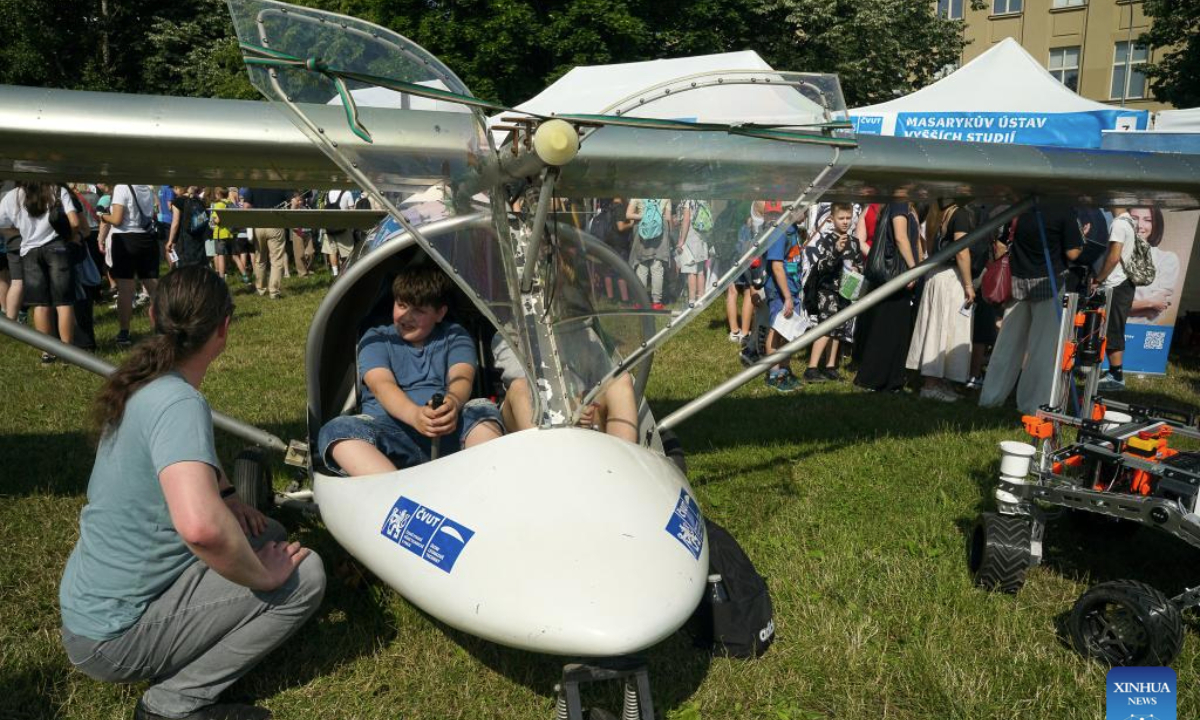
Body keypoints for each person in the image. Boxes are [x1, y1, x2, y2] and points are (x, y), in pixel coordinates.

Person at [58, 267, 325, 720]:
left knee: (270, 531)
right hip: (112, 637)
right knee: (305, 575)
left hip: (92, 611)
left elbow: (183, 461)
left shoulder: (146, 382)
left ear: (157, 317)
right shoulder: (179, 402)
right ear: (223, 329)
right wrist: (264, 577)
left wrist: (227, 497)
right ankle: (172, 705)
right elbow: (200, 530)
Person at [317, 265, 504, 476]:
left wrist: (452, 403)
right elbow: (381, 385)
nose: (407, 316)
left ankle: (486, 479)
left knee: (482, 410)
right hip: (389, 432)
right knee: (336, 430)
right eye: (401, 305)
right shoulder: (376, 338)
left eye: (419, 310)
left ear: (440, 313)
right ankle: (391, 491)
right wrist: (415, 415)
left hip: (448, 428)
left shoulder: (454, 335)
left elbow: (462, 379)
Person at [979, 204, 1083, 414]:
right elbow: (1073, 253)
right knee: (1042, 350)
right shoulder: (1063, 211)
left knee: (1006, 346)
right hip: (1049, 283)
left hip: (1018, 281)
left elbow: (1003, 243)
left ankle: (990, 397)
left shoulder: (1020, 210)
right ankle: (1032, 404)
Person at [491, 333, 640, 443]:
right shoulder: (507, 338)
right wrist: (568, 404)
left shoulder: (582, 333)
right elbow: (526, 384)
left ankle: (623, 463)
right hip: (529, 417)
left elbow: (604, 375)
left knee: (620, 380)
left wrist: (583, 402)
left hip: (580, 407)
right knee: (520, 387)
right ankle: (549, 466)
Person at [0, 183, 81, 362]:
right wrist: (73, 236)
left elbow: (2, 222)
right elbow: (75, 221)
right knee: (64, 302)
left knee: (40, 304)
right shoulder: (56, 189)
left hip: (29, 251)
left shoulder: (13, 195)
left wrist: (19, 230)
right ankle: (68, 352)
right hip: (57, 248)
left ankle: (47, 352)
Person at [906, 199, 976, 401]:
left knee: (936, 328)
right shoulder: (958, 214)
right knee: (943, 330)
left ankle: (938, 381)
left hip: (935, 275)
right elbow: (962, 251)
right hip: (950, 277)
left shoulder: (935, 213)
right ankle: (931, 385)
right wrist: (968, 284)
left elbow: (927, 245)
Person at [855, 201, 922, 393]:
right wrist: (913, 269)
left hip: (894, 277)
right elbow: (901, 237)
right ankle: (879, 378)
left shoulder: (899, 206)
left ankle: (886, 378)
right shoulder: (900, 205)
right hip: (896, 276)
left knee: (891, 328)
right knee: (889, 329)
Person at [803, 203, 864, 383]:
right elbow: (822, 266)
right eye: (841, 218)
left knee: (839, 329)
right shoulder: (828, 239)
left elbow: (860, 262)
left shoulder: (854, 242)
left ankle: (831, 366)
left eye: (848, 218)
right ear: (832, 219)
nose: (845, 222)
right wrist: (836, 251)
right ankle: (812, 367)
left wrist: (857, 269)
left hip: (846, 290)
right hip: (828, 290)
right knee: (826, 327)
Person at [101, 184, 160, 347]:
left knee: (126, 289)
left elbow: (117, 219)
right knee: (153, 287)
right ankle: (159, 329)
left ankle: (124, 333)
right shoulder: (147, 189)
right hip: (147, 238)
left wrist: (103, 216)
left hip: (126, 239)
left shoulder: (121, 187)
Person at [1091, 207, 1138, 392]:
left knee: (1112, 328)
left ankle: (1116, 376)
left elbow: (1114, 256)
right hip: (1124, 282)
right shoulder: (1129, 222)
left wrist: (1098, 279)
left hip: (1117, 284)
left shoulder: (1118, 224)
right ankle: (1114, 373)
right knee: (1113, 327)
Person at [761, 203, 804, 392]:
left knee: (788, 332)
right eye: (804, 208)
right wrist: (786, 296)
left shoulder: (794, 230)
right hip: (780, 291)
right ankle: (774, 374)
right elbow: (777, 266)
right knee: (776, 331)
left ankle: (785, 370)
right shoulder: (779, 231)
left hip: (792, 290)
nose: (806, 212)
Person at [241, 187, 291, 299]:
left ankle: (261, 289)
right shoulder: (280, 186)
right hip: (276, 225)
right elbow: (293, 201)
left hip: (258, 225)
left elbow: (246, 206)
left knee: (260, 259)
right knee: (277, 260)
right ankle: (274, 291)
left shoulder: (254, 186)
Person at [1129, 206, 1175, 322]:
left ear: (1155, 225)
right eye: (1134, 218)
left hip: (1142, 330)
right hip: (1107, 326)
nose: (1139, 225)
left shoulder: (1166, 259)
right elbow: (1106, 303)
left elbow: (1159, 305)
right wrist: (1149, 302)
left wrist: (1149, 304)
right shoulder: (1112, 255)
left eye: (1147, 220)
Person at [626, 199, 672, 310]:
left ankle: (640, 301)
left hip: (641, 235)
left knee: (641, 267)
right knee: (657, 268)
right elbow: (668, 218)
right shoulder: (665, 196)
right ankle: (656, 302)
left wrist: (644, 215)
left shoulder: (637, 195)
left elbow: (628, 215)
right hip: (660, 235)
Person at [675, 199, 712, 305]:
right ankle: (701, 297)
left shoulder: (688, 201)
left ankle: (691, 299)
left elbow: (686, 220)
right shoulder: (702, 199)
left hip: (690, 237)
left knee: (691, 269)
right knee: (700, 270)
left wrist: (681, 240)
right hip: (701, 237)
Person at [166, 187, 210, 270]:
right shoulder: (199, 201)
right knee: (198, 268)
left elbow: (175, 223)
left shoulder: (178, 201)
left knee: (185, 269)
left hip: (184, 241)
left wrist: (170, 241)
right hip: (198, 240)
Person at [323, 188, 356, 278]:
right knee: (346, 252)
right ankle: (345, 272)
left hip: (330, 226)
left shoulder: (328, 192)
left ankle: (335, 273)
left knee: (332, 251)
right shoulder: (347, 192)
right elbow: (352, 211)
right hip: (343, 226)